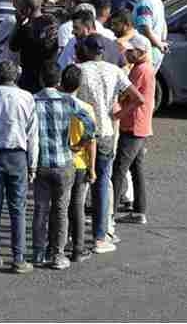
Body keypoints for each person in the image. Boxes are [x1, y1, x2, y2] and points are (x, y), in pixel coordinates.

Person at [73, 35, 144, 254]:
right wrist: (118, 115)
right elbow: (138, 98)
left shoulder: (79, 70)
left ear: (86, 50)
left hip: (82, 133)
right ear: (102, 51)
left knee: (78, 185)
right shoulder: (115, 71)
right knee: (102, 183)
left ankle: (71, 237)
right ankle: (100, 237)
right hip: (105, 132)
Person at [30, 64, 97, 270]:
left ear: (42, 79)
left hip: (41, 163)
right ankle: (58, 255)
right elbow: (91, 127)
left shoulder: (32, 100)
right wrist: (79, 144)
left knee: (40, 209)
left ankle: (39, 253)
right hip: (64, 162)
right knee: (61, 209)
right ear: (58, 81)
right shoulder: (68, 101)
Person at [0, 60, 38, 273]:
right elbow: (32, 135)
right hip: (18, 156)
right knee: (17, 208)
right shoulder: (27, 97)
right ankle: (18, 257)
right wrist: (33, 165)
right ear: (17, 75)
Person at [114, 35, 155, 225]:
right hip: (140, 126)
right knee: (135, 169)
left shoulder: (141, 70)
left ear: (140, 52)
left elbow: (128, 95)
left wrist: (119, 113)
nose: (127, 53)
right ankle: (139, 211)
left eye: (131, 50)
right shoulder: (143, 68)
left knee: (119, 169)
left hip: (133, 126)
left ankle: (109, 212)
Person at [60, 65, 99, 262]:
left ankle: (59, 244)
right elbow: (91, 140)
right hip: (81, 163)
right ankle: (78, 248)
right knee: (77, 206)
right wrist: (92, 169)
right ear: (79, 84)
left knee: (60, 206)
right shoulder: (86, 108)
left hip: (60, 161)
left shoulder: (56, 104)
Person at [11, 0, 61, 93]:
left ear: (28, 9)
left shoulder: (26, 29)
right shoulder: (53, 21)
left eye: (21, 8)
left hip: (30, 77)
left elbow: (13, 46)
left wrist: (18, 23)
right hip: (50, 74)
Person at [59, 7, 126, 69]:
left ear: (88, 29)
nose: (73, 32)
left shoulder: (76, 43)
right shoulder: (112, 44)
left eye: (76, 28)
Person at [130, 0, 169, 70]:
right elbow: (163, 24)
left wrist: (159, 46)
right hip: (156, 52)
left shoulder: (143, 5)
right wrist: (162, 42)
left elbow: (146, 31)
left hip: (145, 53)